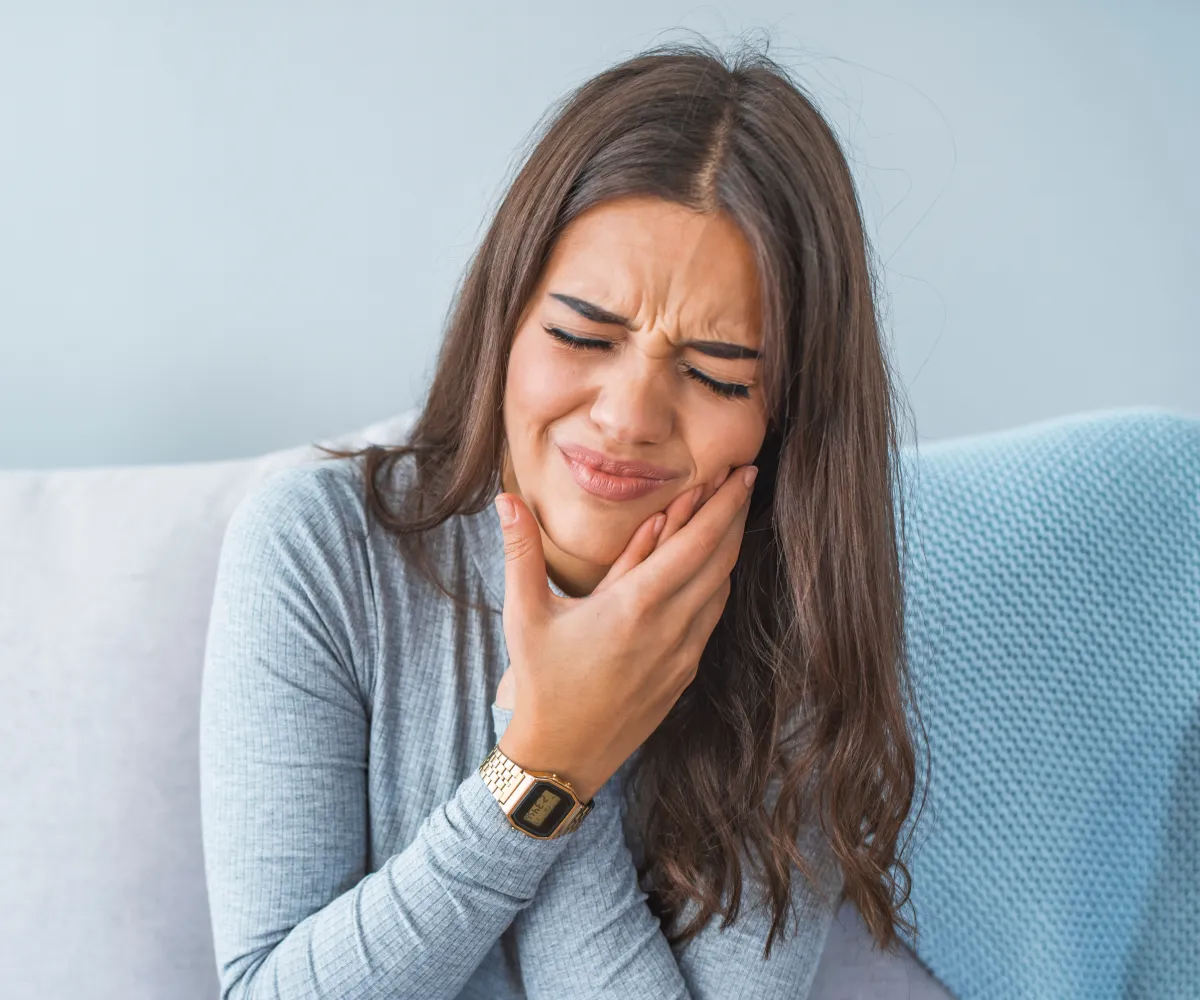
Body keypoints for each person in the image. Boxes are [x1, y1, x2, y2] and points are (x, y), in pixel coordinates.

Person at [198, 35, 927, 1000]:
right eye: (583, 334)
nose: (627, 418)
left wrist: (573, 739)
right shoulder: (317, 552)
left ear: (783, 418)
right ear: (507, 319)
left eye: (715, 374)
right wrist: (544, 763)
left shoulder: (790, 623)